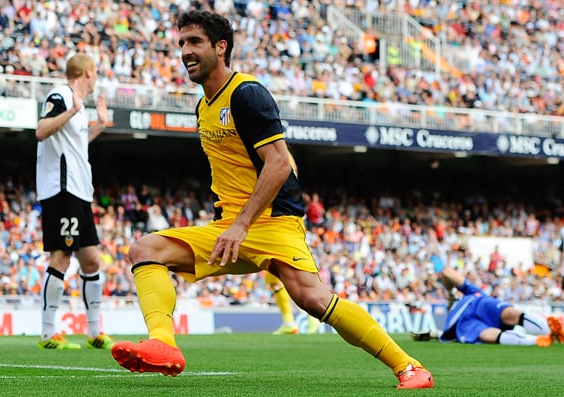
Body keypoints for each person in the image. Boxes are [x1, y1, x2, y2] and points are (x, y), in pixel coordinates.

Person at [109, 10, 433, 389]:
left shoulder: (247, 93)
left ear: (221, 46)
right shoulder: (204, 107)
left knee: (311, 298)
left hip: (271, 223)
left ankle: (410, 367)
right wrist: (231, 223)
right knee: (146, 248)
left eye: (194, 42)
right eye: (181, 43)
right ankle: (163, 344)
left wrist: (242, 224)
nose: (185, 51)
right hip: (230, 226)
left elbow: (279, 163)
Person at [35, 53, 114, 350]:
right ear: (88, 73)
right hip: (62, 189)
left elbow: (75, 144)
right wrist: (71, 111)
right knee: (62, 256)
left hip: (81, 191)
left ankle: (94, 332)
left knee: (92, 259)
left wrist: (99, 126)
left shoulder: (77, 108)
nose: (96, 80)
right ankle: (47, 333)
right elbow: (41, 131)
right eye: (95, 74)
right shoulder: (62, 96)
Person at [411, 267, 564, 347]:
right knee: (488, 336)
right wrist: (431, 334)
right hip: (467, 324)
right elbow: (445, 336)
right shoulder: (449, 323)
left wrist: (451, 293)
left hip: (481, 304)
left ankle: (551, 329)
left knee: (510, 313)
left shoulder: (469, 292)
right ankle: (538, 341)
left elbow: (447, 272)